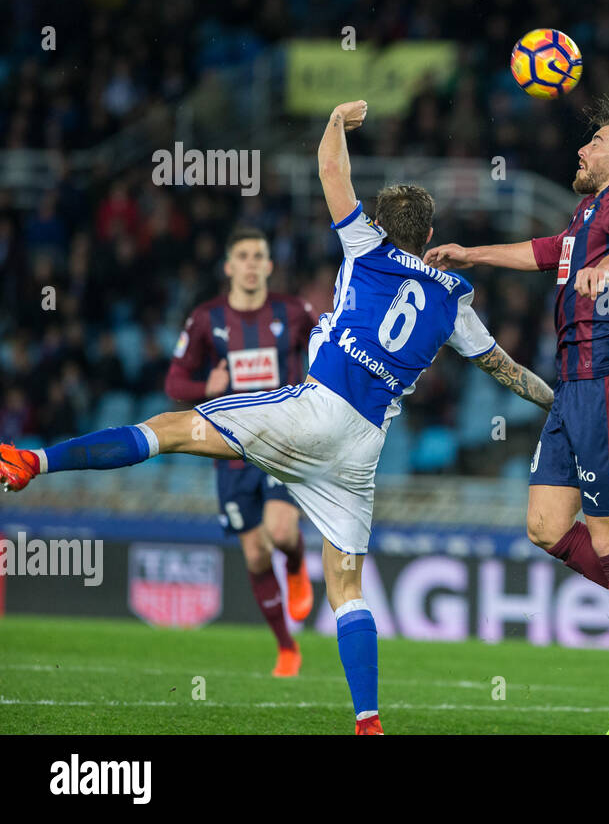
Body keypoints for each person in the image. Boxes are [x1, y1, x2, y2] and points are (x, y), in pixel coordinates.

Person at [1, 100, 554, 735]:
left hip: (316, 408)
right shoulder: (456, 299)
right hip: (363, 447)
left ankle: (33, 460)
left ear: (379, 224)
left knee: (172, 429)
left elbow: (328, 169)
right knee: (346, 586)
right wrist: (560, 400)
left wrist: (336, 122)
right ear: (429, 238)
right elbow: (506, 371)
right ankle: (368, 721)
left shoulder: (365, 248)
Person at [426, 96, 609, 734]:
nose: (582, 149)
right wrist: (471, 254)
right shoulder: (588, 211)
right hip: (574, 388)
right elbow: (546, 250)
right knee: (544, 525)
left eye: (595, 142)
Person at [165, 226, 317, 676]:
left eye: (259, 256)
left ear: (270, 265)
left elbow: (331, 350)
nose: (251, 264)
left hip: (280, 444)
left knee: (283, 531)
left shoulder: (294, 311)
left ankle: (294, 564)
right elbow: (175, 383)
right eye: (243, 256)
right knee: (253, 554)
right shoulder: (204, 319)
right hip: (228, 451)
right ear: (229, 266)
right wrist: (201, 387)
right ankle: (286, 646)